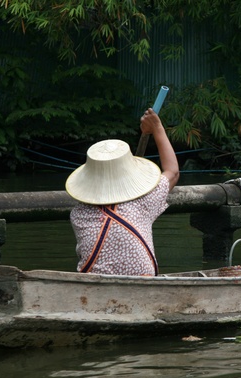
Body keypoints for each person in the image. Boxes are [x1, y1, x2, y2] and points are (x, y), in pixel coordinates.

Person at [65, 108, 179, 276]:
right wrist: (157, 128)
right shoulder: (143, 202)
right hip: (143, 285)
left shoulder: (78, 214)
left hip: (93, 287)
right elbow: (173, 171)